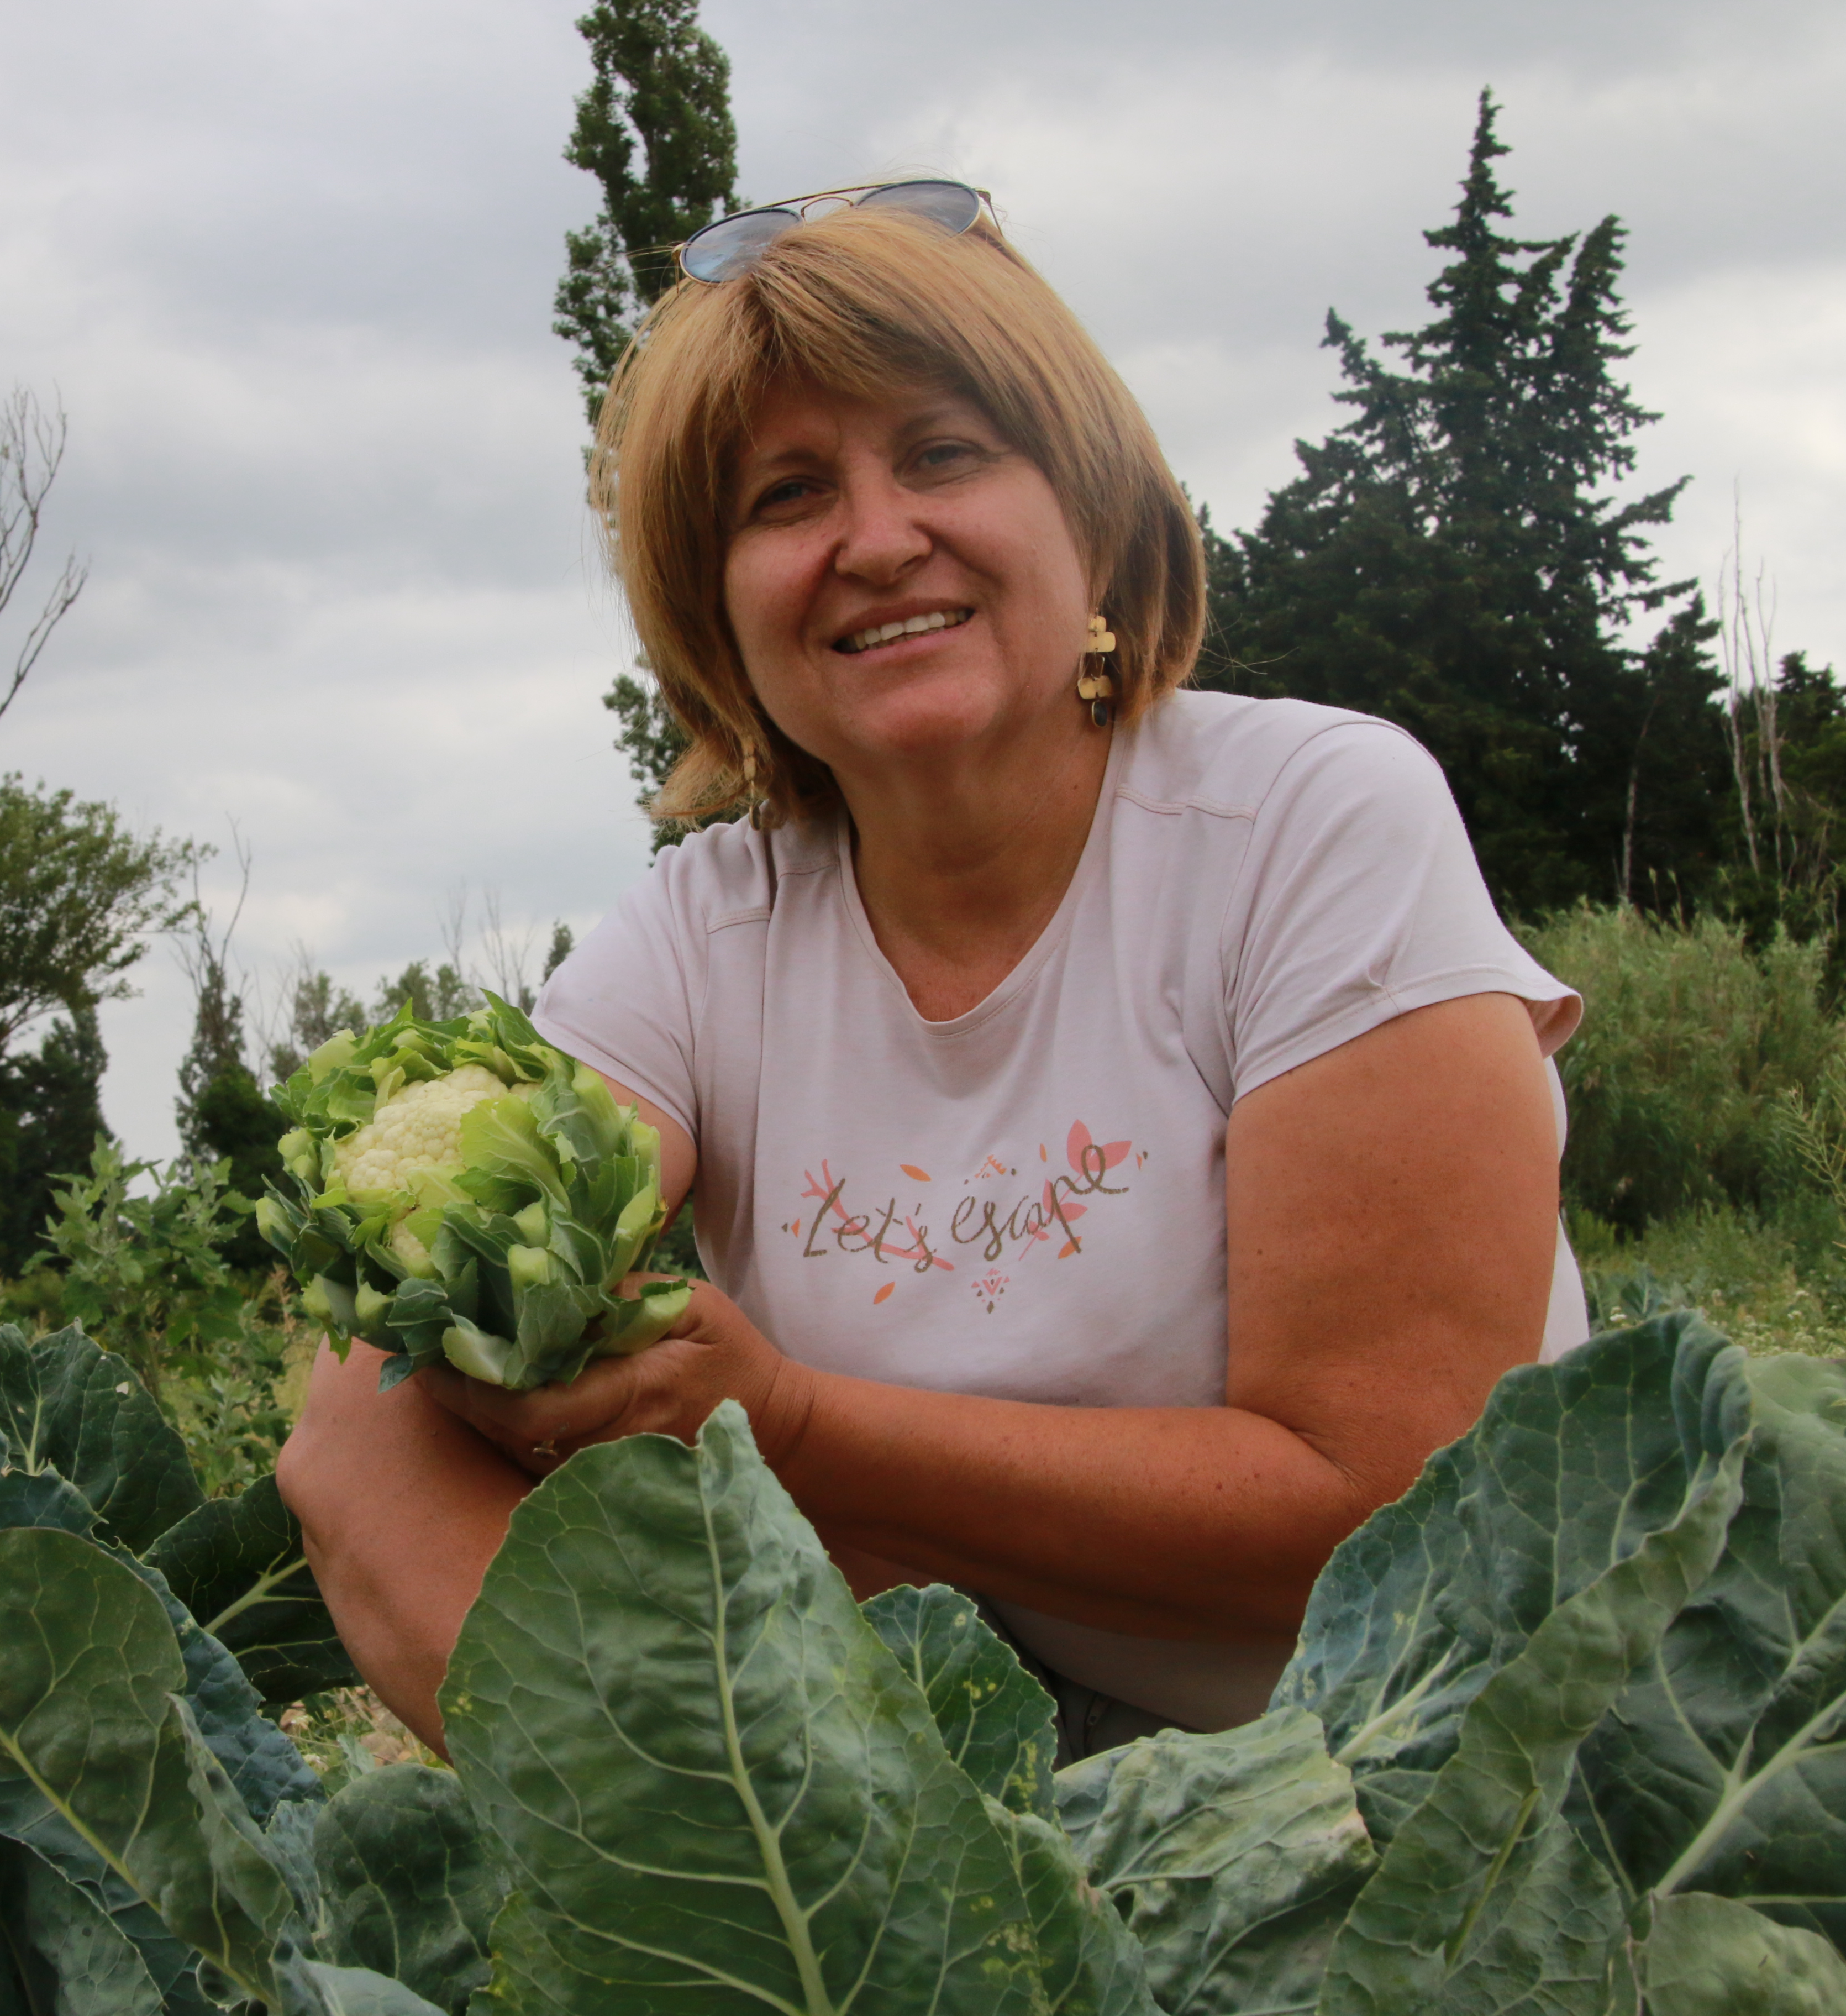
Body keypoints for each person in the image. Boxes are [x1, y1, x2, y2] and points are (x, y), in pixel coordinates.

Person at [275, 182, 1584, 1763]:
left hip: (1419, 1772)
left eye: (947, 455)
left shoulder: (1306, 824)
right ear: (716, 617)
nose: (878, 541)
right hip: (951, 1806)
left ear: (1096, 515)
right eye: (786, 497)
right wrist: (741, 1855)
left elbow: (1393, 1503)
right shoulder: (706, 934)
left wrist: (797, 1427)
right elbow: (372, 1414)